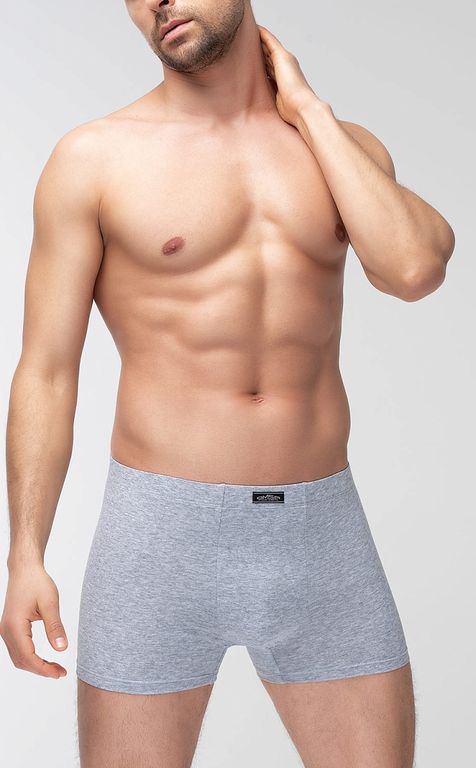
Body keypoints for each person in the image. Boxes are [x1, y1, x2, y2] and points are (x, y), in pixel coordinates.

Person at [1, 1, 455, 766]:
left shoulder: (339, 148)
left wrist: (308, 110)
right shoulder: (94, 159)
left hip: (322, 535)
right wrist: (25, 554)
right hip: (158, 540)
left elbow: (413, 268)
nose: (158, 1)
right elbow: (46, 371)